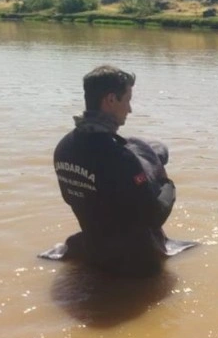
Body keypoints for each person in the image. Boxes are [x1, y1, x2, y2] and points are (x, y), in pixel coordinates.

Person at [48, 65, 179, 277]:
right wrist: (168, 184)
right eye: (127, 100)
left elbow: (71, 198)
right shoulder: (120, 157)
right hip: (135, 266)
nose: (130, 109)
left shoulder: (63, 147)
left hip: (93, 250)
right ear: (111, 100)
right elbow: (154, 215)